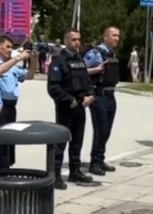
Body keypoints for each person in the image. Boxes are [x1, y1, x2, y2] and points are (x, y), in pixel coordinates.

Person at [47, 28, 94, 189]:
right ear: (66, 41)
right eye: (73, 40)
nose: (77, 42)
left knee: (77, 140)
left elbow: (87, 81)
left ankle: (75, 171)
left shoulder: (80, 60)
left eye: (78, 39)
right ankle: (56, 174)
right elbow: (53, 87)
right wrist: (68, 99)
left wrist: (90, 95)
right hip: (66, 107)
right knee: (61, 141)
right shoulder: (58, 61)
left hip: (81, 105)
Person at [0, 34, 35, 171]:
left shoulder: (12, 66)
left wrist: (33, 60)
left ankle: (5, 168)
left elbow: (29, 75)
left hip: (11, 107)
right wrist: (18, 58)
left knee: (8, 142)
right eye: (8, 47)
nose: (11, 50)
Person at [85, 26, 120, 176]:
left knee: (107, 131)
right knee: (100, 130)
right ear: (105, 37)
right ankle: (94, 163)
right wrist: (96, 70)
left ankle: (100, 159)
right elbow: (79, 70)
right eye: (113, 35)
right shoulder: (95, 53)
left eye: (118, 36)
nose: (116, 38)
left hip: (111, 96)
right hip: (99, 96)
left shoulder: (111, 53)